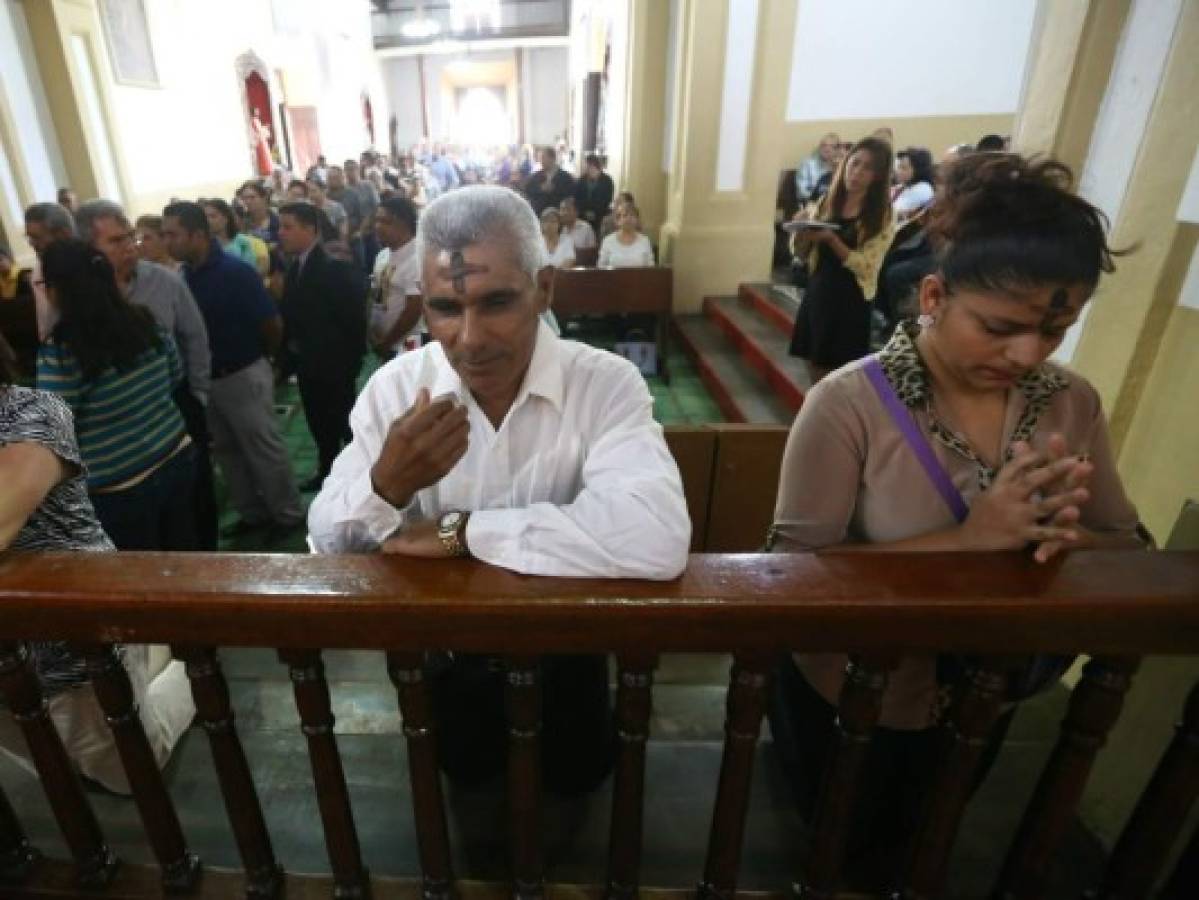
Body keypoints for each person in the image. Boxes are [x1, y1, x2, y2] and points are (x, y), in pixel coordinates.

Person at [767, 152, 1145, 889]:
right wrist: (972, 540)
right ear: (934, 295)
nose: (1028, 353)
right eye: (999, 327)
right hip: (855, 684)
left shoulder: (1070, 402)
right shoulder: (849, 405)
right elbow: (795, 574)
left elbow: (1123, 542)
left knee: (931, 826)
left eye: (1054, 328)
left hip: (986, 680)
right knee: (838, 830)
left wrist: (1062, 541)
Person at [308, 185, 690, 793]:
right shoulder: (394, 390)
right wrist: (385, 485)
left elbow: (656, 536)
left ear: (546, 288)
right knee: (466, 795)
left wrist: (461, 533)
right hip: (444, 663)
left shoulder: (605, 385)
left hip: (571, 662)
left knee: (576, 796)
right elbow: (327, 548)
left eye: (497, 302)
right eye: (445, 308)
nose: (470, 338)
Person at [0, 332, 195, 795]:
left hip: (72, 650)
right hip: (14, 660)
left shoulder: (31, 413)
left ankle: (189, 663)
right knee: (51, 762)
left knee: (133, 770)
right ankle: (152, 645)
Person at [36, 240, 197, 551]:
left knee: (142, 580)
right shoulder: (143, 319)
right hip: (175, 454)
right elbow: (175, 375)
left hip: (120, 485)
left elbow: (52, 428)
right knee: (184, 554)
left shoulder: (64, 348)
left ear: (61, 289)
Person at [77, 199, 217, 549]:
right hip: (121, 441)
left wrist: (197, 396)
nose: (129, 247)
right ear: (89, 250)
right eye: (116, 241)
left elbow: (194, 337)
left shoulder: (164, 281)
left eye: (130, 238)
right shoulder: (81, 299)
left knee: (196, 509)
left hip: (173, 409)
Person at [162, 202, 304, 538]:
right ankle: (252, 514)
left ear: (197, 235)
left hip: (242, 373)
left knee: (263, 448)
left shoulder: (234, 272)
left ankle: (287, 515)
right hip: (207, 380)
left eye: (173, 234)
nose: (168, 242)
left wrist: (264, 360)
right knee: (228, 452)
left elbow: (271, 323)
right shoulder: (184, 277)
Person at [788, 136, 895, 384]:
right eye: (854, 163)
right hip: (819, 288)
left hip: (850, 296)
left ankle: (834, 417)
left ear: (878, 176)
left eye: (867, 168)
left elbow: (867, 266)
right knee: (814, 361)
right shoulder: (828, 200)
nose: (856, 172)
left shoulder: (882, 214)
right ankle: (819, 413)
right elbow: (801, 253)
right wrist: (801, 230)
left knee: (841, 374)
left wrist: (832, 240)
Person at [277, 201, 367, 491]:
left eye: (288, 227)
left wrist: (352, 360)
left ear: (310, 229)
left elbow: (353, 316)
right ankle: (328, 469)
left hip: (334, 363)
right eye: (280, 227)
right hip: (309, 363)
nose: (281, 233)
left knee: (345, 421)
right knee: (318, 421)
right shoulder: (297, 267)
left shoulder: (332, 264)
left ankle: (364, 474)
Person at [370, 196, 424, 357]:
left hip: (409, 342)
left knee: (407, 379)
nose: (378, 227)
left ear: (405, 223)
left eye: (386, 222)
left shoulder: (417, 258)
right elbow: (376, 295)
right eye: (377, 220)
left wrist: (387, 341)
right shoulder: (383, 255)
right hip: (383, 339)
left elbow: (414, 309)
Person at [23, 203, 76, 340]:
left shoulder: (89, 264)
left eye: (36, 237)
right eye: (29, 237)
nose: (32, 244)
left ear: (64, 234)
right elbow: (45, 324)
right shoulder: (39, 270)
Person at [202, 199, 257, 269]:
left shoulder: (242, 242)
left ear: (225, 218)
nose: (208, 220)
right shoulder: (203, 244)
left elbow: (251, 268)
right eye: (205, 217)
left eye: (213, 216)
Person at [327, 165, 366, 267]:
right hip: (333, 243)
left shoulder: (353, 194)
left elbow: (363, 215)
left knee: (359, 267)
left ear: (342, 178)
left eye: (335, 178)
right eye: (330, 178)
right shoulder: (325, 196)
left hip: (353, 239)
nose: (332, 181)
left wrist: (359, 232)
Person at [524, 147, 575, 217]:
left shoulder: (566, 177)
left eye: (543, 158)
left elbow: (569, 197)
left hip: (558, 215)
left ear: (552, 159)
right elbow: (528, 191)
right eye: (540, 158)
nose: (541, 161)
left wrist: (555, 189)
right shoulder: (535, 177)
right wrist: (540, 189)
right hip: (539, 214)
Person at [796, 133, 841, 203]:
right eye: (824, 145)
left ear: (837, 150)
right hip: (811, 204)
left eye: (832, 146)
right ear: (819, 147)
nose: (827, 149)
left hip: (833, 204)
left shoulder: (839, 166)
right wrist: (820, 200)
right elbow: (802, 192)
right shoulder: (807, 164)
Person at [573, 153, 614, 231]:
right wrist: (584, 212)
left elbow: (607, 199)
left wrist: (595, 213)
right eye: (586, 166)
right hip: (582, 216)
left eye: (588, 166)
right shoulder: (581, 180)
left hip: (600, 217)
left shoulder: (607, 180)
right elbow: (577, 198)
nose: (586, 168)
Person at [892, 147, 935, 220]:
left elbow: (894, 212)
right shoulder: (904, 186)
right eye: (899, 167)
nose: (898, 171)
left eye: (904, 168)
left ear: (918, 170)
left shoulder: (923, 189)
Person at [306, 175, 348, 242]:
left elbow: (343, 231)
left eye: (314, 191)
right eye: (309, 192)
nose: (311, 195)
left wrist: (342, 245)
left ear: (323, 191)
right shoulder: (307, 208)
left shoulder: (336, 207)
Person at [238, 180, 281, 247]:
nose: (248, 201)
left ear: (264, 198)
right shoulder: (241, 221)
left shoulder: (278, 221)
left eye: (252, 197)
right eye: (244, 198)